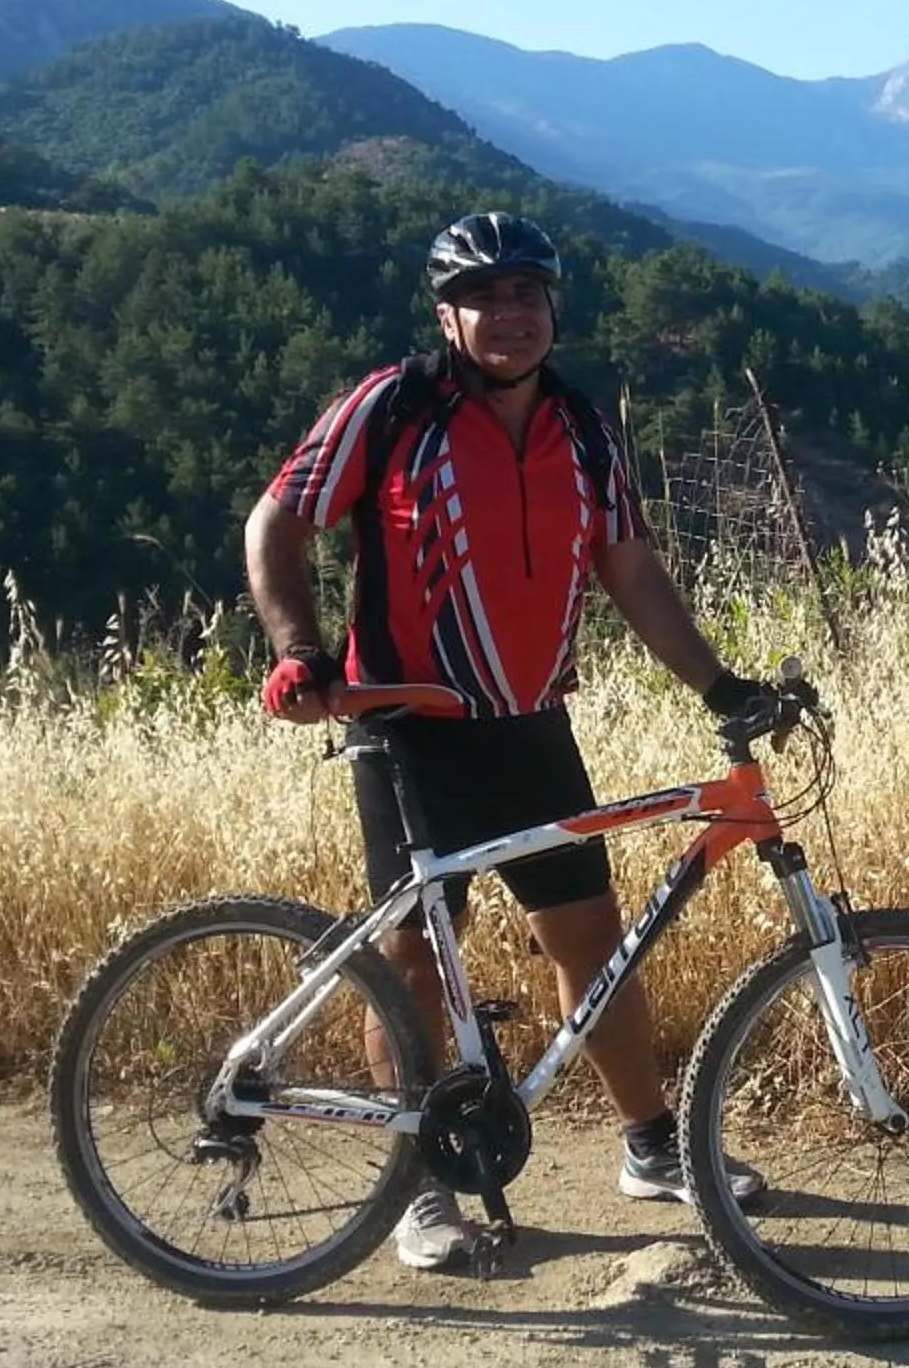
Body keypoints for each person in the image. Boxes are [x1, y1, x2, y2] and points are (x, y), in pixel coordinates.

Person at [245, 209, 774, 1272]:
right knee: (415, 965)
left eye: (526, 293)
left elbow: (628, 571)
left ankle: (651, 1146)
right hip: (408, 730)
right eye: (482, 296)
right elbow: (277, 521)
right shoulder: (390, 410)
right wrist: (300, 648)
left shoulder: (583, 427)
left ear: (554, 308)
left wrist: (721, 683)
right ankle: (419, 1185)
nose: (508, 315)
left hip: (533, 726)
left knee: (594, 945)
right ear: (447, 315)